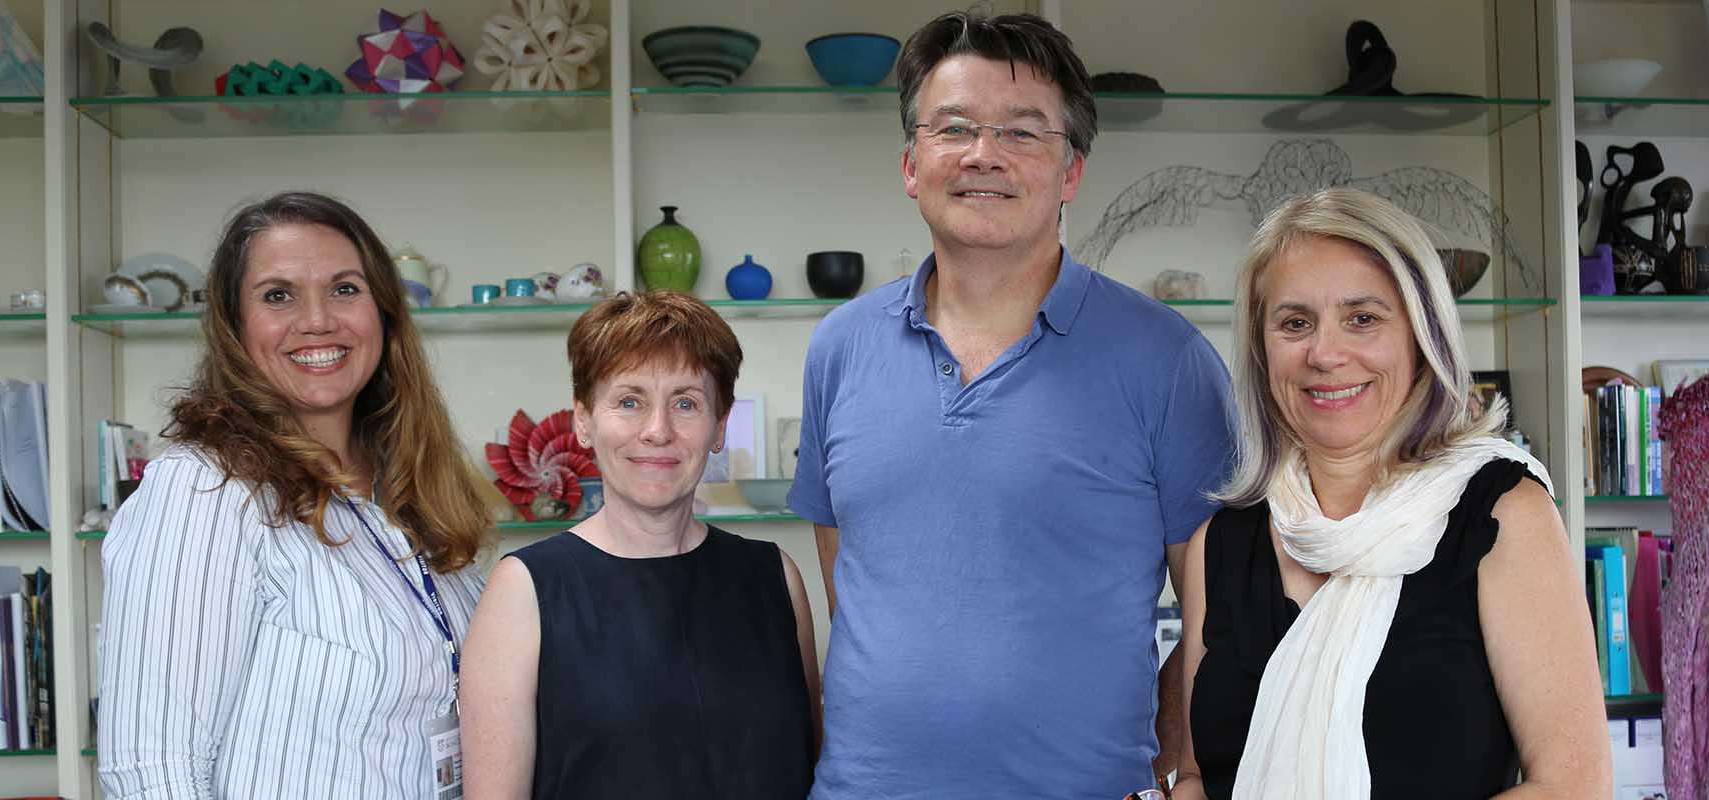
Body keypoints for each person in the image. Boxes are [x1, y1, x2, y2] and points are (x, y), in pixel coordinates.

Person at [788, 11, 1235, 798]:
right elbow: (849, 588)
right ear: (909, 162)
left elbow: (1219, 619)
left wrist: (1182, 765)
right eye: (953, 128)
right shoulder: (840, 348)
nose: (983, 155)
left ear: (1071, 172)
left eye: (1023, 133)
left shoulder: (1169, 361)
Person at [1174, 188, 1610, 799]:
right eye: (1295, 323)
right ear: (1260, 348)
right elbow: (1197, 776)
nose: (1325, 354)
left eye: (1363, 318)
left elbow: (1572, 787)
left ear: (1421, 335)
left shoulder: (1502, 514)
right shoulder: (1216, 545)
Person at [97, 191, 494, 798]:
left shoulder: (411, 491)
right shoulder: (205, 488)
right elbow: (153, 766)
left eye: (344, 289)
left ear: (385, 312)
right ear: (234, 326)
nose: (317, 320)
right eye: (278, 295)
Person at [460, 291, 820, 799]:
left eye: (686, 403)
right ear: (583, 420)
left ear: (720, 425)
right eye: (629, 402)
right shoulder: (524, 590)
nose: (658, 431)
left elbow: (811, 768)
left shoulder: (773, 576)